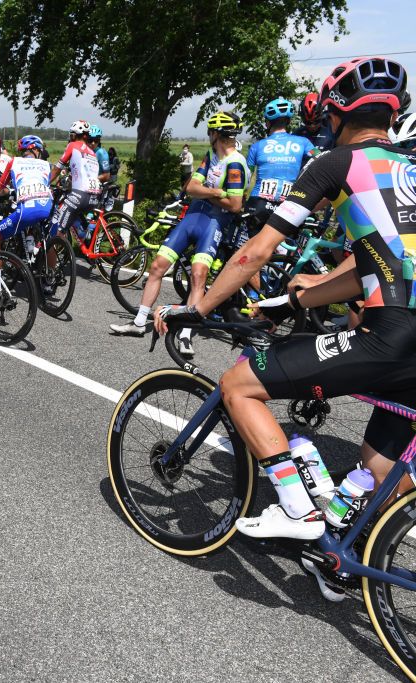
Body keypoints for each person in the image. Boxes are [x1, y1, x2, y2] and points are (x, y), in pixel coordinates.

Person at [156, 56, 411, 546]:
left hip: (390, 334)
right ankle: (352, 562)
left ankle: (297, 511)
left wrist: (199, 308)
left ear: (335, 113)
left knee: (238, 383)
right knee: (380, 473)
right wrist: (296, 301)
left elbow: (256, 252)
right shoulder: (411, 171)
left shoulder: (336, 163)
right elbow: (376, 268)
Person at [110, 111, 248, 359]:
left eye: (210, 132)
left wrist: (207, 192)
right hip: (192, 218)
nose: (209, 136)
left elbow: (236, 204)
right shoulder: (211, 156)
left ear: (216, 133)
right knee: (157, 267)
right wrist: (217, 193)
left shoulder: (235, 163)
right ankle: (140, 322)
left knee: (198, 276)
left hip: (213, 224)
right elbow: (190, 188)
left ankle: (185, 333)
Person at [245, 97, 315, 228]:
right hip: (289, 204)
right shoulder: (303, 142)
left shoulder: (257, 146)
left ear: (267, 122)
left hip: (258, 202)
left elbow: (246, 179)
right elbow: (320, 159)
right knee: (287, 245)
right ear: (288, 121)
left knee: (254, 244)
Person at [0, 135, 54, 248]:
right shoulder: (46, 165)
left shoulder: (14, 162)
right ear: (36, 150)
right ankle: (48, 265)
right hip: (50, 210)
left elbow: (0, 187)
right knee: (51, 242)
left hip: (27, 211)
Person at [49, 120, 101, 242]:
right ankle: (84, 237)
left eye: (72, 134)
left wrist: (45, 183)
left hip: (80, 196)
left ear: (79, 135)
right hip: (94, 197)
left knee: (56, 231)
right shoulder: (92, 153)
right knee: (73, 214)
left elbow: (57, 169)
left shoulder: (73, 145)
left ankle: (53, 257)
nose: (70, 137)